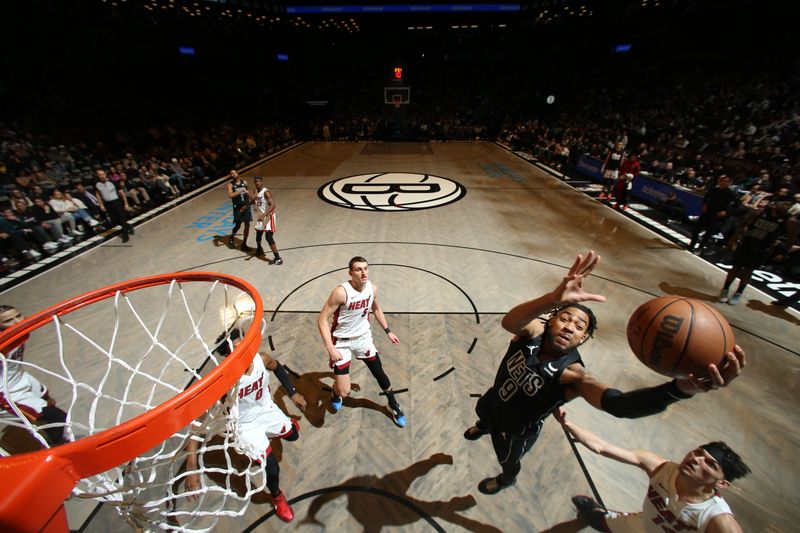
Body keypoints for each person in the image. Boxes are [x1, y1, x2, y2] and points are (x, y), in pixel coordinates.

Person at [464, 251, 745, 495]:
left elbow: (619, 405)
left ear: (583, 339)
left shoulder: (573, 375)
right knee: (483, 413)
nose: (570, 326)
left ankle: (506, 479)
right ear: (550, 322)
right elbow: (510, 322)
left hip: (518, 430)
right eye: (565, 318)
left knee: (508, 460)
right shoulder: (532, 334)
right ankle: (484, 425)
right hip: (494, 400)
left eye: (579, 326)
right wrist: (552, 298)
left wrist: (679, 390)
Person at [557, 409, 750, 532]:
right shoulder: (661, 468)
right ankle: (595, 512)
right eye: (698, 452)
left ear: (722, 483)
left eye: (710, 464)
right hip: (639, 526)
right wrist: (570, 425)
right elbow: (603, 447)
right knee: (594, 520)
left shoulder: (719, 520)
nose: (696, 460)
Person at [185, 327, 307, 523]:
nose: (245, 348)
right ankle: (276, 496)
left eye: (245, 343)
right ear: (228, 355)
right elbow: (196, 421)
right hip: (245, 425)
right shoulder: (222, 379)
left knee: (294, 435)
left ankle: (281, 429)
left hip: (267, 409)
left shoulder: (262, 359)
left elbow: (278, 368)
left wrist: (292, 393)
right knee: (272, 466)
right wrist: (191, 467)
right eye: (237, 347)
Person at [317, 256, 406, 427]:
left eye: (365, 268)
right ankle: (336, 393)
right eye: (358, 269)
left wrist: (388, 331)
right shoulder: (341, 292)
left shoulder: (372, 289)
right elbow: (322, 319)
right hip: (341, 341)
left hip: (363, 338)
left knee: (379, 372)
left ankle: (393, 405)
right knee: (344, 391)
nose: (363, 272)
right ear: (350, 273)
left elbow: (377, 308)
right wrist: (330, 347)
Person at [0, 305, 70, 451]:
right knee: (54, 417)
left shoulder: (20, 332)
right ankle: (60, 450)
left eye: (18, 316)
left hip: (20, 378)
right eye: (8, 320)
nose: (16, 322)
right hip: (6, 394)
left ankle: (56, 440)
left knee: (49, 404)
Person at [719, 200, 796, 305]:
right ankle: (725, 289)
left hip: (763, 248)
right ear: (775, 204)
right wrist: (735, 236)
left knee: (748, 271)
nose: (785, 206)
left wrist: (783, 253)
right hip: (747, 243)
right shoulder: (761, 211)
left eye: (788, 205)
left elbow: (791, 239)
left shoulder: (789, 220)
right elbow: (744, 222)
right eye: (783, 203)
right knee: (736, 267)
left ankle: (738, 293)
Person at [688, 175, 737, 253]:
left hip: (716, 215)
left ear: (729, 183)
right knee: (697, 229)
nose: (723, 183)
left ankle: (700, 248)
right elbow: (706, 197)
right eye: (722, 181)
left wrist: (726, 212)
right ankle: (691, 245)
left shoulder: (730, 193)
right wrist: (704, 204)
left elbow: (738, 205)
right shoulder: (714, 189)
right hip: (707, 212)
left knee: (708, 233)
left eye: (726, 181)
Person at [95, 169, 133, 243]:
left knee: (121, 218)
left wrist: (126, 203)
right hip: (108, 204)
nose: (102, 176)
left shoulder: (113, 182)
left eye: (103, 174)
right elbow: (98, 195)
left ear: (105, 174)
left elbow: (121, 192)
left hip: (116, 202)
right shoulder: (97, 185)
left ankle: (125, 235)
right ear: (97, 176)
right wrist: (101, 205)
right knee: (114, 221)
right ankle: (129, 226)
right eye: (100, 174)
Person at [252, 176, 283, 265]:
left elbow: (273, 205)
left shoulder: (266, 192)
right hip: (261, 217)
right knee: (258, 236)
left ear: (262, 182)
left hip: (269, 217)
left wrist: (264, 215)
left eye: (259, 181)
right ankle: (259, 249)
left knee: (268, 237)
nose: (257, 183)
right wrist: (249, 206)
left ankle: (278, 259)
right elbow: (255, 200)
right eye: (256, 181)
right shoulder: (255, 191)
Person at [226, 169, 252, 252]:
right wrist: (241, 190)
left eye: (235, 173)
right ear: (230, 176)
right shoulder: (230, 185)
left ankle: (244, 243)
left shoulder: (244, 182)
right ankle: (231, 237)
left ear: (237, 173)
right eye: (232, 174)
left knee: (247, 224)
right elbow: (230, 195)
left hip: (246, 205)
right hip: (237, 206)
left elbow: (248, 193)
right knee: (238, 224)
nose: (234, 175)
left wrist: (252, 202)